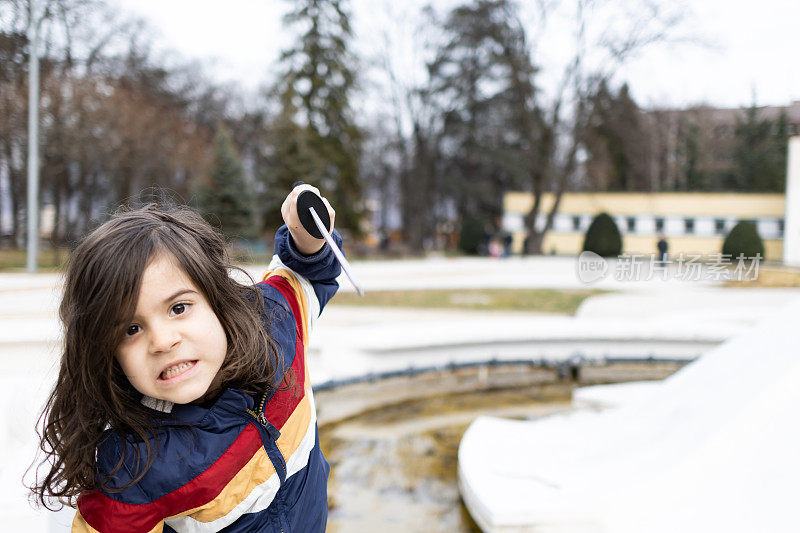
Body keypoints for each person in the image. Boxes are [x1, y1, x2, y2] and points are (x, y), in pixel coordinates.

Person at [32, 184, 342, 532]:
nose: (162, 341)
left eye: (179, 308)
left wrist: (307, 239)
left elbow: (302, 272)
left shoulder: (277, 327)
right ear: (106, 352)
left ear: (217, 299)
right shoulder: (135, 469)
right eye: (131, 330)